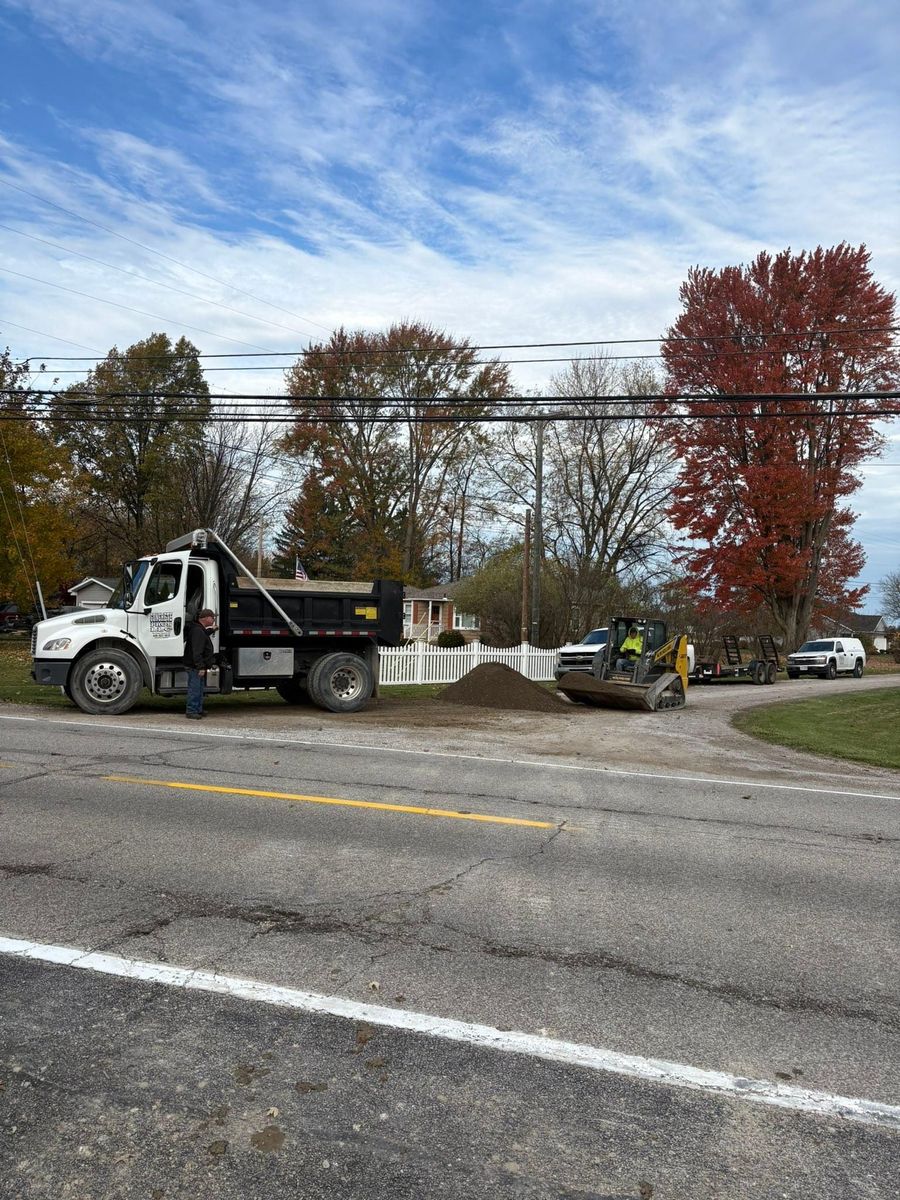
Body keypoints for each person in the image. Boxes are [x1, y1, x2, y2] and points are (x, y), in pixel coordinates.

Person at [184, 608, 216, 719]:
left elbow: (204, 633)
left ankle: (198, 709)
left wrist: (212, 630)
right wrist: (200, 666)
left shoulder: (198, 629)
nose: (213, 620)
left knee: (199, 689)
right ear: (207, 618)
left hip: (196, 666)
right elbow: (197, 651)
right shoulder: (197, 631)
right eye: (213, 618)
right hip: (195, 666)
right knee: (195, 689)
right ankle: (191, 710)